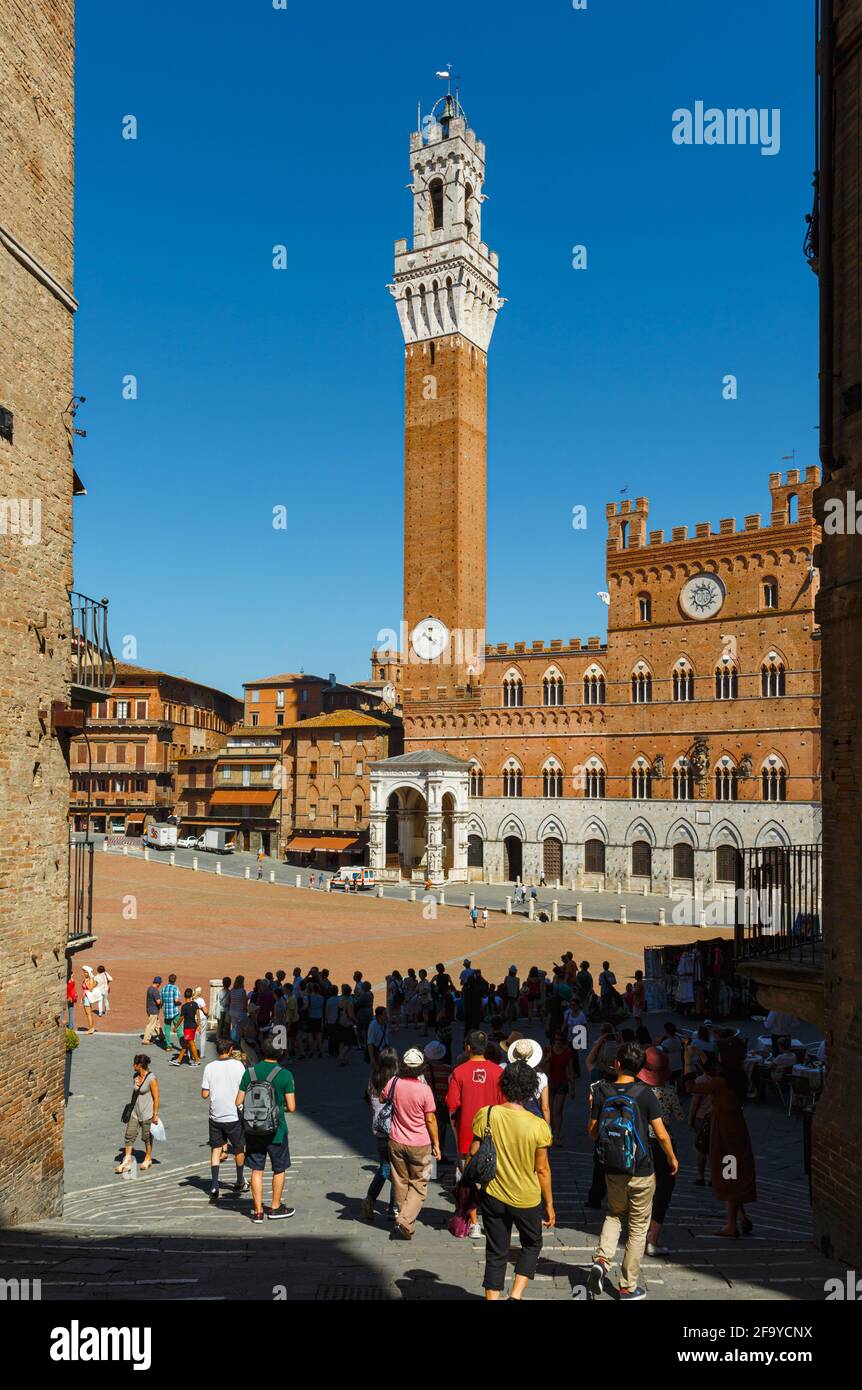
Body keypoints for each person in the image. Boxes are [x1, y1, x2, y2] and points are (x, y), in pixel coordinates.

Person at [587, 1041, 678, 1301]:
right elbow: (660, 1133)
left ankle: (602, 1261)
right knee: (638, 1227)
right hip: (641, 1168)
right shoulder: (645, 1094)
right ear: (640, 1069)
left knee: (614, 1214)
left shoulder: (602, 1091)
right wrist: (672, 1158)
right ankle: (627, 1286)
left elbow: (592, 1133)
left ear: (616, 1064)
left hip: (612, 1168)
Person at [469, 1059, 555, 1300]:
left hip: (493, 1194)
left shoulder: (486, 1114)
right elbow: (542, 1170)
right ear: (530, 1091)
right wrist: (548, 1204)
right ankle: (515, 1296)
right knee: (532, 1244)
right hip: (526, 1198)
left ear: (504, 1086)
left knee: (496, 1251)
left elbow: (473, 1153)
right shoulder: (539, 1126)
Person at [684, 1040, 756, 1237]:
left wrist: (688, 1062)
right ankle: (741, 1217)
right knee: (732, 1175)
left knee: (729, 1175)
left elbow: (691, 1087)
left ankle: (731, 1225)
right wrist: (700, 1054)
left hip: (727, 1137)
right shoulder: (735, 1077)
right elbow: (714, 1069)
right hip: (733, 1132)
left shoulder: (723, 1081)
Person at [446, 1030, 504, 1237]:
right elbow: (505, 1104)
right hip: (494, 1135)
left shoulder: (458, 1072)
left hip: (466, 1135)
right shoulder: (498, 1072)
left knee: (468, 1179)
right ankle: (493, 1220)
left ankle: (474, 1223)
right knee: (492, 1179)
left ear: (467, 1047)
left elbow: (452, 1106)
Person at [383, 1048, 440, 1239]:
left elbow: (383, 1097)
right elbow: (430, 1119)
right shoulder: (424, 1090)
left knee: (400, 1181)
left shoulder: (394, 1082)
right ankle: (405, 1220)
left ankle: (406, 1221)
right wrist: (437, 1144)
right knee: (420, 1183)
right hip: (421, 1144)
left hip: (396, 1140)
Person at [236, 1043, 297, 1223]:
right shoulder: (285, 1075)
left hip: (254, 1130)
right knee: (279, 1168)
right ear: (281, 1053)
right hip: (277, 1130)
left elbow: (238, 1100)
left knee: (257, 1169)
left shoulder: (250, 1072)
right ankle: (275, 1207)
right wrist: (276, 1109)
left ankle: (257, 1211)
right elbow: (292, 1107)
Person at [638, 1046, 683, 1255]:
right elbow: (680, 1117)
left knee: (643, 1189)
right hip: (662, 1143)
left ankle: (638, 1234)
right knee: (664, 1190)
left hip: (639, 1143)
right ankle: (653, 1238)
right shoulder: (669, 1091)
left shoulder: (637, 1091)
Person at [201, 1038, 249, 1202]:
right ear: (229, 1050)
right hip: (234, 1114)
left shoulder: (209, 1067)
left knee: (215, 1149)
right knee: (239, 1148)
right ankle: (240, 1180)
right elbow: (245, 1087)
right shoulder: (238, 1066)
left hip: (215, 1115)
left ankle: (214, 1185)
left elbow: (204, 1094)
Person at [363, 1045, 399, 1223]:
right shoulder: (396, 1080)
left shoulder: (373, 1078)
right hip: (395, 1129)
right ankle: (393, 1207)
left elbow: (371, 1103)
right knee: (396, 1170)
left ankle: (370, 1198)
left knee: (385, 1166)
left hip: (378, 1128)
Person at [116, 1054, 160, 1174]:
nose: (133, 1066)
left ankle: (148, 1158)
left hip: (147, 1113)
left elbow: (156, 1098)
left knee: (146, 1137)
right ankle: (127, 1160)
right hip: (135, 1112)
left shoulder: (152, 1078)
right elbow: (134, 1094)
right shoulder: (135, 1076)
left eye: (134, 1064)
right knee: (129, 1135)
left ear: (139, 1065)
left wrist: (155, 1114)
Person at [545, 1030, 576, 1145]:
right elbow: (542, 1067)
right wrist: (547, 1058)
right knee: (549, 1110)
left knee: (558, 1111)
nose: (558, 1042)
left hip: (562, 1083)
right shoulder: (548, 1050)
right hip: (550, 1083)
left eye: (560, 1040)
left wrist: (573, 1088)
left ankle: (557, 1134)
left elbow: (570, 1071)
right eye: (556, 1040)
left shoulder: (567, 1053)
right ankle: (550, 1133)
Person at [423, 1040, 452, 1162]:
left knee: (429, 1135)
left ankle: (432, 1167)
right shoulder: (448, 1069)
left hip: (428, 1106)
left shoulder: (423, 1070)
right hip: (442, 1105)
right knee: (441, 1132)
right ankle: (441, 1154)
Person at [170, 988, 202, 1067]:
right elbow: (198, 1015)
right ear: (191, 995)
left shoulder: (184, 1007)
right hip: (193, 1026)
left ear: (184, 996)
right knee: (185, 1044)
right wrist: (199, 1025)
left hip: (188, 1028)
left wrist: (175, 1026)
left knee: (190, 1043)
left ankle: (197, 1061)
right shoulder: (195, 1004)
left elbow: (181, 1018)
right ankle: (179, 1060)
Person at [335, 984, 356, 1066]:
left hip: (340, 1023)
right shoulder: (349, 1002)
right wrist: (355, 1020)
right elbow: (351, 1015)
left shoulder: (340, 1000)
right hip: (347, 1024)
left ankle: (344, 1059)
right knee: (350, 1043)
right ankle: (342, 1055)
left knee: (342, 1042)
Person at [160, 974, 181, 1052]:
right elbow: (176, 1000)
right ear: (175, 980)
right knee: (179, 1028)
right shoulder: (175, 988)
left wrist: (160, 1007)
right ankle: (183, 1045)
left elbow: (161, 1001)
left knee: (167, 1029)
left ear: (168, 979)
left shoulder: (163, 989)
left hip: (167, 1012)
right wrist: (179, 1003)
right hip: (174, 1012)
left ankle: (168, 1046)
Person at [304, 981, 325, 1057]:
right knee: (318, 1035)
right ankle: (320, 1052)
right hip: (318, 1018)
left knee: (310, 1036)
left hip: (310, 1017)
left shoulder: (309, 997)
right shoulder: (321, 997)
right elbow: (322, 1009)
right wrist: (322, 1020)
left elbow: (306, 1007)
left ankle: (310, 1052)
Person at [141, 976, 162, 1045]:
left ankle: (162, 1037)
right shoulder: (155, 990)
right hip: (154, 1010)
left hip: (149, 1009)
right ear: (158, 983)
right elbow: (158, 1002)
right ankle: (146, 1040)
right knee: (151, 1025)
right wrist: (163, 1001)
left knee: (157, 1024)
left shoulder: (150, 988)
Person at [228, 976, 248, 1043]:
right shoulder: (242, 991)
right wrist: (246, 1009)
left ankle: (233, 1041)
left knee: (234, 1027)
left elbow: (230, 1000)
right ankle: (240, 1042)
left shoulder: (232, 990)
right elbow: (245, 1002)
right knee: (242, 1028)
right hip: (240, 1012)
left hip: (232, 1011)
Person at [194, 985, 208, 1059]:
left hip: (194, 1019)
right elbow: (205, 1011)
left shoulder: (192, 999)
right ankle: (202, 1054)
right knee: (202, 1037)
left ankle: (192, 1053)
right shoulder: (200, 1000)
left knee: (193, 1038)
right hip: (202, 1019)